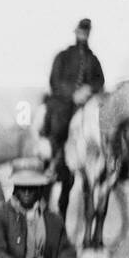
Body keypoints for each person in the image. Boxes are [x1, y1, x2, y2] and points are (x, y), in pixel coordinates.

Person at [45, 18, 105, 183]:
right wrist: (72, 93)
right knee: (60, 123)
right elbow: (55, 81)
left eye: (86, 33)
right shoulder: (63, 56)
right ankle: (54, 161)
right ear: (76, 32)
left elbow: (100, 81)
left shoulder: (93, 59)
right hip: (63, 101)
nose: (83, 36)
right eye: (81, 32)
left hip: (85, 103)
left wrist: (89, 89)